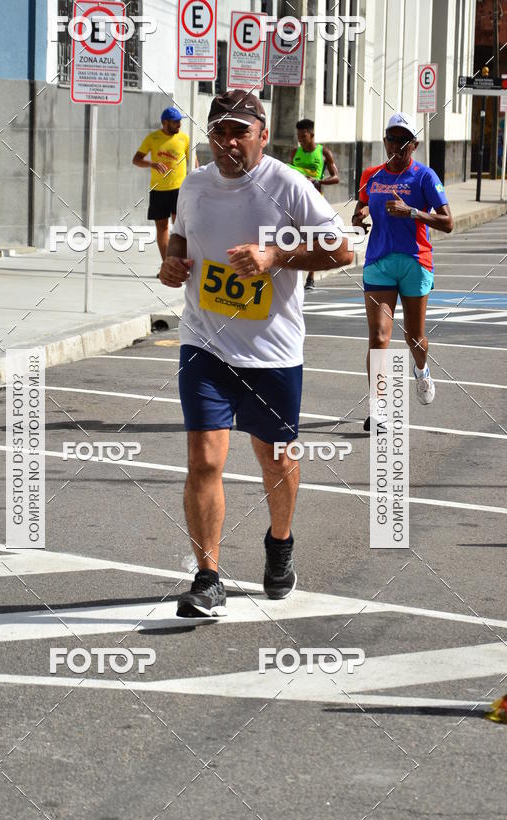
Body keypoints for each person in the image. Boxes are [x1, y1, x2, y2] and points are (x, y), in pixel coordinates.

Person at [159, 91, 352, 618]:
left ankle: (280, 543)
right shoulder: (194, 183)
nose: (227, 141)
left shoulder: (288, 186)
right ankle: (207, 576)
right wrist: (173, 263)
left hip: (273, 351)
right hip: (205, 342)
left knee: (276, 459)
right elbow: (181, 238)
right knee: (204, 458)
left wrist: (276, 255)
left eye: (239, 131)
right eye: (218, 131)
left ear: (263, 135)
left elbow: (341, 250)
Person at [352, 112, 453, 432]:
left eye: (404, 140)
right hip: (379, 261)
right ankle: (379, 409)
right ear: (385, 141)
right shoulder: (371, 175)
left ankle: (422, 370)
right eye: (391, 139)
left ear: (415, 144)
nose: (397, 145)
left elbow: (448, 222)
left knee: (414, 337)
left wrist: (412, 212)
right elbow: (363, 204)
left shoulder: (424, 176)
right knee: (379, 335)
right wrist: (360, 214)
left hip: (415, 261)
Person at [132, 107, 191, 271]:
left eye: (180, 121)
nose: (179, 124)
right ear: (165, 123)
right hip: (158, 190)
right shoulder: (153, 138)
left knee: (180, 227)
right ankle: (167, 265)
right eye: (175, 121)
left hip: (179, 189)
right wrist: (153, 164)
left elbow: (194, 162)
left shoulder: (184, 138)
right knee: (162, 228)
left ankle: (181, 263)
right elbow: (136, 160)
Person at [289, 118, 339, 290]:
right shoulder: (295, 152)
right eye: (299, 137)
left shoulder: (323, 152)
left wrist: (319, 181)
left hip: (315, 200)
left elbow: (336, 177)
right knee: (292, 235)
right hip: (295, 199)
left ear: (312, 135)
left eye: (304, 136)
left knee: (313, 238)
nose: (301, 140)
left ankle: (310, 276)